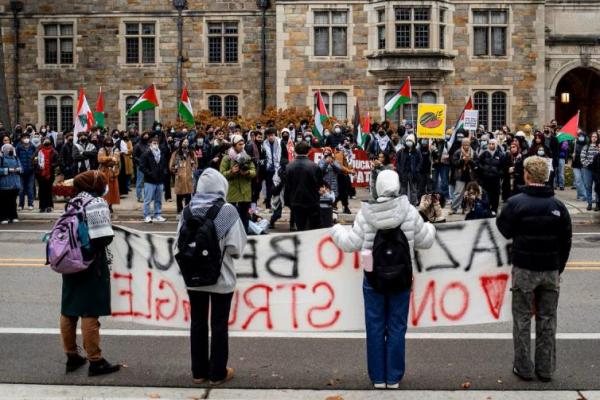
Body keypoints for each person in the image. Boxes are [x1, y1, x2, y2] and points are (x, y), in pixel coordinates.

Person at [331, 169, 435, 389]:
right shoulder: (408, 211)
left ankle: (378, 377)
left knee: (375, 326)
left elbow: (350, 243)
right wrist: (430, 226)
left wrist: (336, 230)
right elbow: (426, 241)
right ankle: (394, 377)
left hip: (373, 277)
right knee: (397, 327)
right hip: (402, 277)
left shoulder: (366, 213)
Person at [496, 156, 572, 383]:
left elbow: (504, 230)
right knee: (547, 319)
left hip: (525, 269)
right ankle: (545, 368)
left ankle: (523, 367)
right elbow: (565, 241)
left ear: (527, 175)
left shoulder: (516, 202)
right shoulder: (558, 206)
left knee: (521, 319)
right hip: (549, 269)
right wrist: (558, 268)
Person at [177, 168, 247, 386]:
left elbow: (177, 245)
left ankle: (198, 372)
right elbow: (236, 247)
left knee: (197, 323)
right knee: (219, 324)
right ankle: (217, 373)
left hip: (193, 278)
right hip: (221, 278)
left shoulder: (187, 210)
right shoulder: (227, 211)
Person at [59, 170, 121, 377]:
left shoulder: (73, 201)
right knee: (90, 311)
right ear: (95, 185)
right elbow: (103, 237)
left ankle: (71, 356)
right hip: (90, 262)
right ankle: (96, 360)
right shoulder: (96, 202)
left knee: (69, 309)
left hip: (70, 260)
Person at [220, 135, 256, 233]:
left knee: (245, 218)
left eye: (243, 144)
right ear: (234, 145)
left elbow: (253, 172)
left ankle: (244, 236)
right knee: (231, 219)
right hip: (232, 194)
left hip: (245, 193)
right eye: (239, 144)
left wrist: (247, 173)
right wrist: (232, 171)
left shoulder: (246, 157)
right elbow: (221, 174)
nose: (242, 146)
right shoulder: (227, 158)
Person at [285, 141, 323, 231]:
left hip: (296, 201)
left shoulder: (289, 166)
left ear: (295, 151)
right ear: (309, 151)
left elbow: (287, 186)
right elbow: (319, 184)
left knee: (301, 228)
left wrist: (288, 202)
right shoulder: (315, 166)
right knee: (314, 229)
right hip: (312, 201)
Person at [140, 136, 167, 223]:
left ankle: (157, 214)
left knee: (158, 199)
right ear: (150, 144)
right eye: (154, 143)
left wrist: (163, 173)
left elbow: (164, 165)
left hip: (159, 181)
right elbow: (142, 167)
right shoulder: (146, 154)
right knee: (148, 200)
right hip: (150, 181)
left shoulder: (161, 153)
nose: (156, 145)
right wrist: (150, 174)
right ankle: (147, 215)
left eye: (157, 143)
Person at [170, 138, 197, 216]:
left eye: (187, 142)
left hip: (188, 178)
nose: (186, 143)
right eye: (184, 142)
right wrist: (175, 171)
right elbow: (171, 165)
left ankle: (187, 213)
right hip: (179, 178)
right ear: (181, 143)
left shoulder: (191, 153)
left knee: (188, 197)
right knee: (179, 197)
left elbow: (195, 163)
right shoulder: (176, 153)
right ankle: (179, 212)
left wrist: (193, 168)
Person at [476, 138, 504, 214]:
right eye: (490, 144)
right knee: (486, 194)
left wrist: (498, 173)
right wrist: (483, 169)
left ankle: (494, 210)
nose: (491, 145)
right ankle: (486, 209)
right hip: (485, 179)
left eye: (493, 144)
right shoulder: (484, 153)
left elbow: (503, 167)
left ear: (496, 145)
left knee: (495, 195)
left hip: (495, 179)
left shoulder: (500, 154)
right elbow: (478, 162)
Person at [450, 138, 476, 214]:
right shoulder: (458, 152)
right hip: (460, 176)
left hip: (470, 176)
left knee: (470, 193)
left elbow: (476, 163)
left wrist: (470, 160)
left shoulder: (473, 153)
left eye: (467, 145)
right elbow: (455, 164)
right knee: (458, 193)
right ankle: (454, 208)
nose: (466, 146)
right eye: (464, 145)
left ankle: (469, 208)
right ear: (462, 145)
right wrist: (462, 160)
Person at [34, 137, 59, 212]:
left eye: (48, 140)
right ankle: (42, 206)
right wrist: (38, 167)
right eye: (45, 140)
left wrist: (52, 165)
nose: (46, 142)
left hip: (50, 173)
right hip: (40, 174)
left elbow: (58, 161)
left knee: (48, 190)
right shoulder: (38, 150)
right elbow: (34, 160)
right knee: (42, 190)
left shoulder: (53, 151)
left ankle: (49, 206)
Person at [396, 134, 422, 206]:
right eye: (407, 140)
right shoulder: (401, 151)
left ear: (413, 142)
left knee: (413, 189)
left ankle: (413, 203)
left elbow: (420, 161)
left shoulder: (417, 152)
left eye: (410, 140)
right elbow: (397, 161)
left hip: (413, 173)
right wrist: (399, 169)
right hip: (403, 172)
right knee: (403, 189)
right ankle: (403, 204)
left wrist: (417, 169)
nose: (408, 142)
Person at [0, 144, 22, 224]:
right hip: (4, 185)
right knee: (4, 202)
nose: (10, 150)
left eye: (11, 148)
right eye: (8, 149)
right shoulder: (1, 159)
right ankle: (3, 217)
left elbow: (21, 168)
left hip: (15, 184)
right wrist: (8, 170)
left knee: (13, 201)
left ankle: (13, 216)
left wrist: (19, 169)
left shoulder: (16, 158)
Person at [97, 137, 121, 211]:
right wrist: (110, 158)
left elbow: (116, 160)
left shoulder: (116, 149)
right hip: (103, 171)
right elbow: (100, 159)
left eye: (110, 141)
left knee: (112, 189)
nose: (108, 142)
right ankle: (103, 204)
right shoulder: (101, 149)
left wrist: (107, 160)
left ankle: (110, 205)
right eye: (107, 141)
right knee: (103, 189)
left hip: (112, 172)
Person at [15, 133, 36, 210]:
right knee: (21, 189)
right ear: (21, 139)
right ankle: (21, 204)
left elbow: (35, 156)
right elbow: (16, 157)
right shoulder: (18, 147)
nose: (26, 139)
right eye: (24, 137)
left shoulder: (32, 146)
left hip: (31, 170)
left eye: (27, 137)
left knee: (30, 188)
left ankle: (30, 204)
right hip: (21, 171)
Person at [581, 131, 599, 211]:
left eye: (596, 137)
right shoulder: (586, 147)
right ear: (590, 137)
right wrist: (588, 164)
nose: (594, 138)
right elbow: (582, 158)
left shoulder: (598, 147)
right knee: (588, 186)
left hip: (597, 170)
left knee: (598, 187)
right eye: (593, 136)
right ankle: (589, 203)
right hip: (587, 169)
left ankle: (598, 203)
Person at [132, 132, 150, 202]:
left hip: (148, 166)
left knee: (147, 182)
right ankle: (139, 196)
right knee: (139, 182)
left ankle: (146, 196)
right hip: (140, 166)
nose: (146, 137)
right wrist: (141, 162)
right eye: (145, 136)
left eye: (147, 136)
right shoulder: (137, 145)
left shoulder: (148, 145)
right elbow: (134, 156)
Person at [572, 132, 587, 201]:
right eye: (579, 136)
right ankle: (582, 195)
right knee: (578, 180)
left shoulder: (587, 145)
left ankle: (581, 195)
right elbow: (567, 151)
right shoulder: (575, 143)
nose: (581, 137)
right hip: (575, 165)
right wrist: (572, 155)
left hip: (583, 165)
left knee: (583, 181)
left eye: (582, 136)